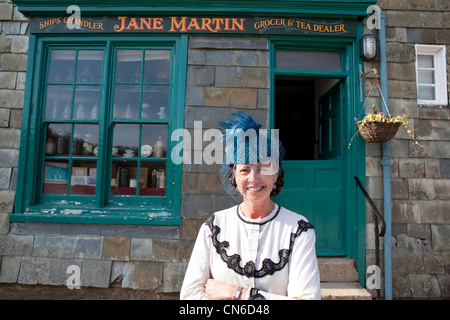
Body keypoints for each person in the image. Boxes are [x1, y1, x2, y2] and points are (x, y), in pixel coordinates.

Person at [180, 112, 321, 300]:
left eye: (263, 167)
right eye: (244, 169)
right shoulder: (214, 226)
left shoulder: (299, 229)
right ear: (234, 176)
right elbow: (190, 297)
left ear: (276, 173)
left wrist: (239, 294)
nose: (253, 179)